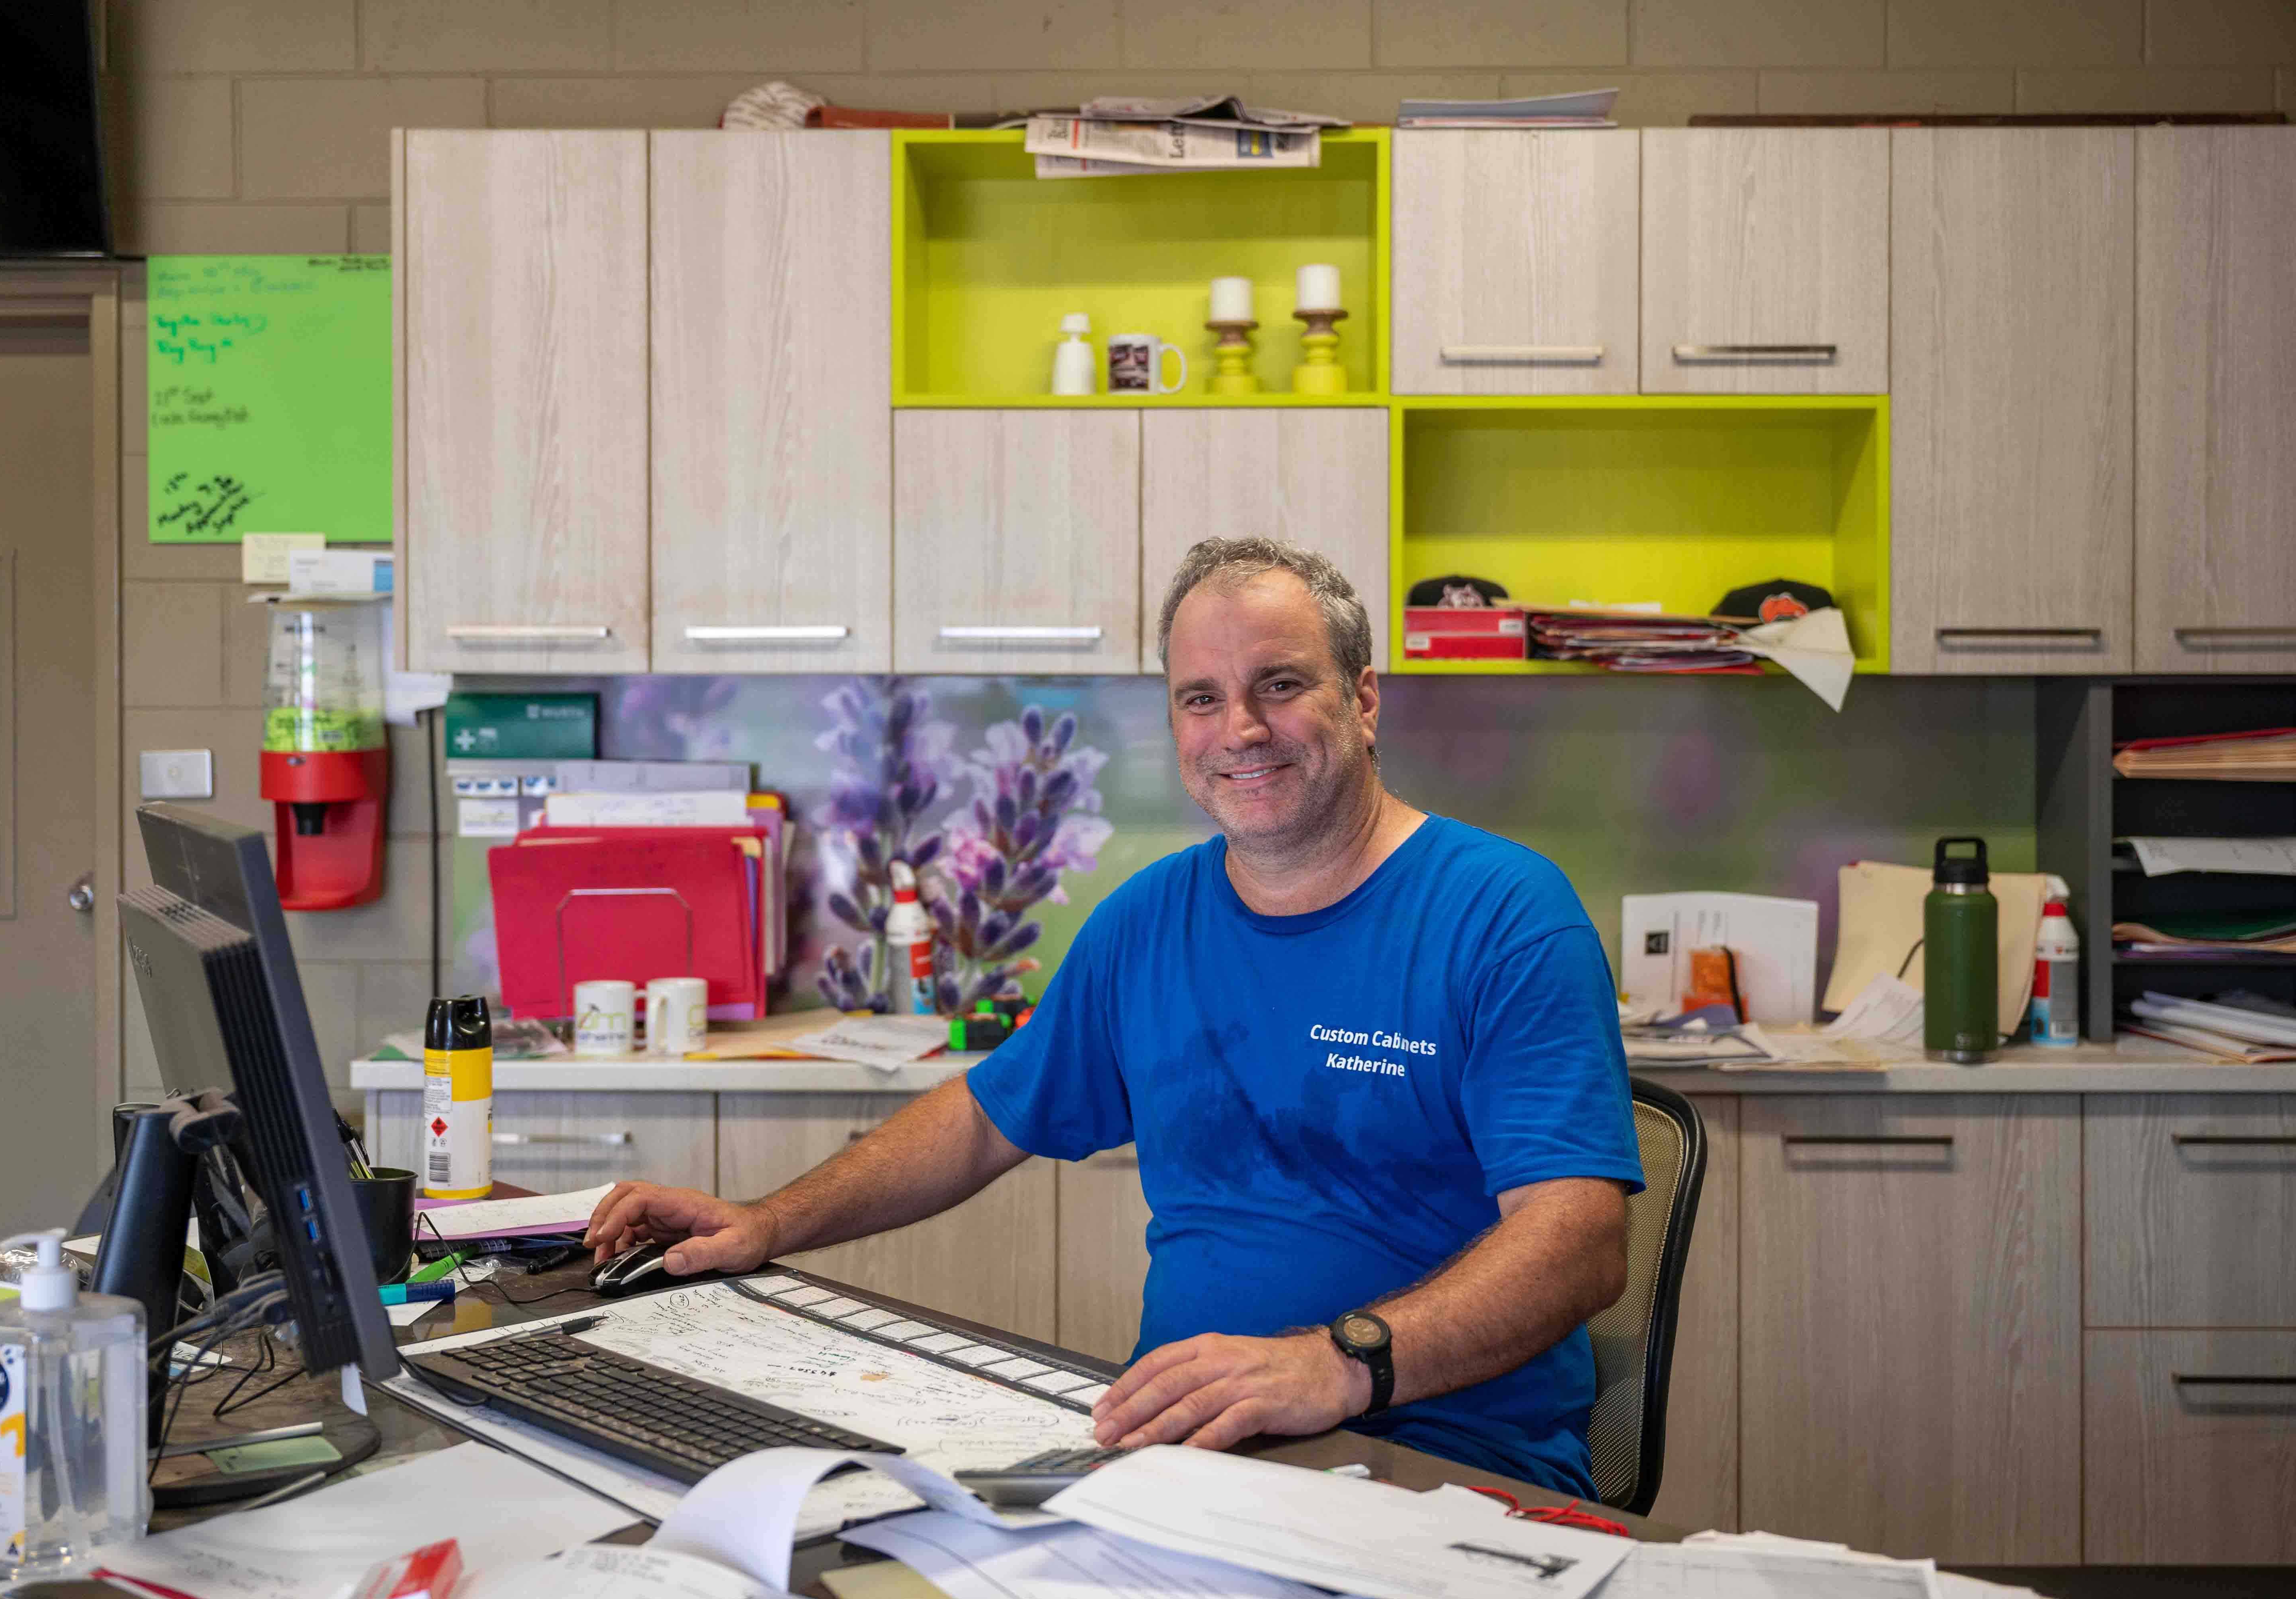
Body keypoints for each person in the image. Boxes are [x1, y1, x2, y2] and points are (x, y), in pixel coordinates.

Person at [585, 537, 1644, 1498]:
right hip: (1188, 1452)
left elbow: (1581, 1245)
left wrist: (1333, 1366)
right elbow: (982, 1119)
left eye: (1280, 685)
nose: (1241, 729)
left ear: (1365, 701)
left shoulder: (1503, 913)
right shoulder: (1149, 921)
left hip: (1443, 1464)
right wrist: (767, 1221)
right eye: (1201, 697)